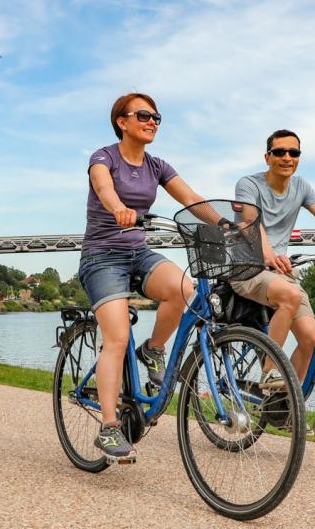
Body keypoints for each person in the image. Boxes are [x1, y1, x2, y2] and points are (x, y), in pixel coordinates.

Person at [79, 92, 205, 461]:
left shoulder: (157, 165)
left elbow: (193, 201)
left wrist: (228, 224)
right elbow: (103, 187)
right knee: (116, 338)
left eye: (156, 117)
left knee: (184, 288)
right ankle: (109, 426)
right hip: (102, 256)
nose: (152, 122)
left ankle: (152, 349)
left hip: (138, 253)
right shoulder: (104, 158)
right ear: (122, 121)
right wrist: (119, 207)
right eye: (144, 115)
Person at [230, 129, 315, 396]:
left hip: (278, 271)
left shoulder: (301, 187)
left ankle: (285, 404)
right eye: (279, 152)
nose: (287, 157)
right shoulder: (248, 185)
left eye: (294, 152)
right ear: (267, 157)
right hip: (247, 269)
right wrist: (269, 256)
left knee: (311, 339)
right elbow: (250, 224)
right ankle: (270, 370)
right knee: (289, 295)